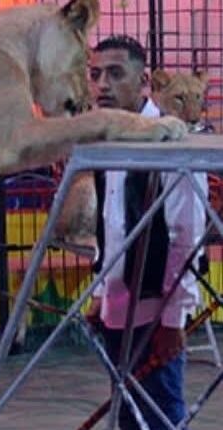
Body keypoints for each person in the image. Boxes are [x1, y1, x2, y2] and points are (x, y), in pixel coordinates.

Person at [85, 35, 208, 429]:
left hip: (155, 309)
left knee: (158, 415)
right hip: (119, 305)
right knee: (128, 415)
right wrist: (101, 292)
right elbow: (111, 222)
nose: (102, 85)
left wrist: (173, 320)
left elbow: (186, 236)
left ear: (144, 83)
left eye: (115, 74)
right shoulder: (110, 136)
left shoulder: (170, 141)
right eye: (95, 74)